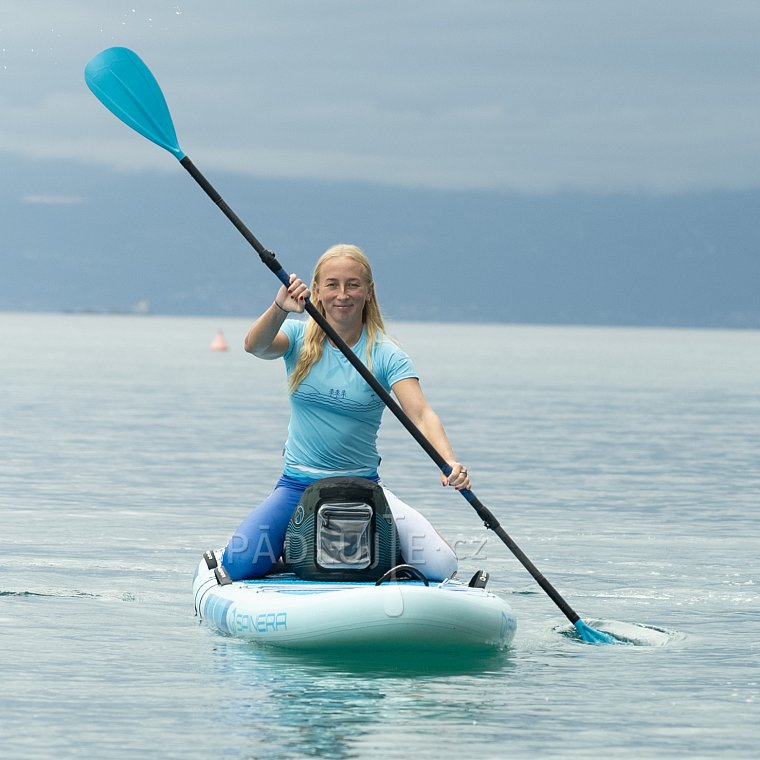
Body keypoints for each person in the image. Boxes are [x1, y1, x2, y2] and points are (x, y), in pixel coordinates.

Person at [221, 243, 470, 582]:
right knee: (238, 564)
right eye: (333, 284)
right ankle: (293, 551)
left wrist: (450, 461)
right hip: (298, 485)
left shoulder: (386, 354)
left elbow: (421, 414)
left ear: (369, 291)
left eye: (353, 284)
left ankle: (390, 551)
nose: (343, 294)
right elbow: (255, 346)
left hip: (363, 486)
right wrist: (280, 307)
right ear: (318, 290)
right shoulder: (297, 337)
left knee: (441, 566)